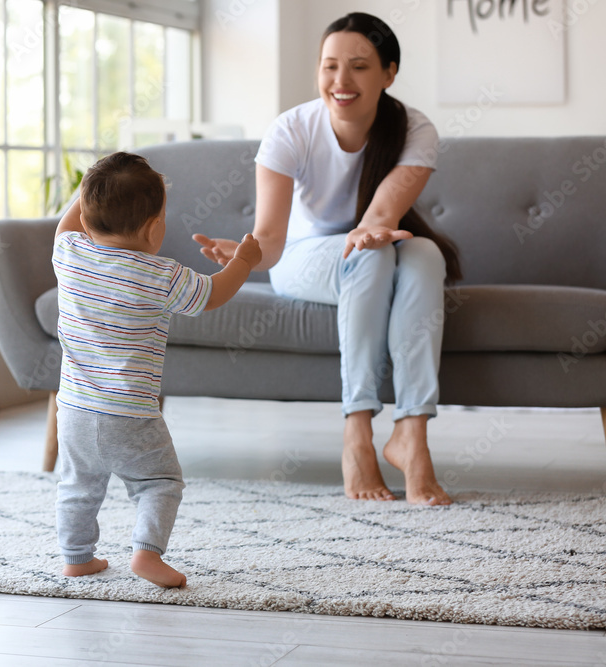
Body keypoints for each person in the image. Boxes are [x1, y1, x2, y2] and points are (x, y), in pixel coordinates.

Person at [194, 12, 461, 506]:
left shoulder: (414, 129)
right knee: (372, 259)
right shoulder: (291, 130)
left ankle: (412, 433)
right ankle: (357, 432)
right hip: (301, 258)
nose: (341, 81)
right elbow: (271, 240)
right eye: (329, 66)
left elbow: (381, 215)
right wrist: (246, 255)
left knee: (423, 253)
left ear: (389, 72)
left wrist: (369, 236)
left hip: (370, 245)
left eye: (359, 66)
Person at [52, 152, 262, 587]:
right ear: (155, 229)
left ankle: (76, 557)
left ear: (87, 220)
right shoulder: (161, 275)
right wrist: (243, 260)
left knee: (77, 484)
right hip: (131, 415)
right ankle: (146, 553)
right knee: (161, 482)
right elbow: (213, 294)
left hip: (71, 410)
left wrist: (91, 188)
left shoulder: (70, 253)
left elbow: (66, 226)